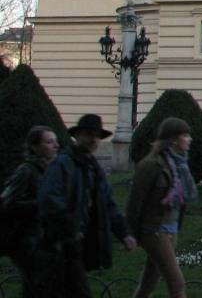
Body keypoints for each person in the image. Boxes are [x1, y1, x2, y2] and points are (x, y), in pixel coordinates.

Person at [38, 114, 136, 298]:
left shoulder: (93, 168)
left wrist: (123, 233)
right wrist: (70, 228)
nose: (93, 139)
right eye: (88, 134)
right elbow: (49, 199)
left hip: (80, 243)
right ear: (78, 136)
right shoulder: (63, 164)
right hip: (61, 244)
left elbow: (108, 204)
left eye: (97, 135)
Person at [126, 117, 197, 298]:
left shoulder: (180, 165)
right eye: (185, 136)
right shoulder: (150, 165)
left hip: (171, 229)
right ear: (173, 139)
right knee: (177, 283)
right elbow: (135, 202)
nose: (189, 140)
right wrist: (130, 234)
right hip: (154, 230)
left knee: (149, 283)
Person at [1, 125, 59, 297]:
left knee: (37, 287)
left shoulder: (49, 171)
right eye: (49, 142)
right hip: (25, 240)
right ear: (35, 146)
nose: (55, 146)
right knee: (36, 285)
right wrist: (39, 204)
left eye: (55, 142)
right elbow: (7, 203)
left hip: (43, 239)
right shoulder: (26, 171)